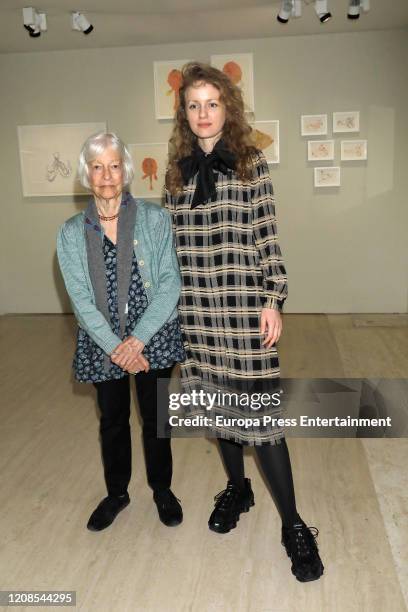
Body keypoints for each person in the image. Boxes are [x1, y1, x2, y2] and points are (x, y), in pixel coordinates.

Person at [165, 62, 324, 582]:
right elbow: (170, 252)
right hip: (198, 315)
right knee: (219, 412)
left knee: (263, 423)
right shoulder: (174, 175)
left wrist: (273, 297)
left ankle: (294, 524)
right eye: (194, 104)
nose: (203, 113)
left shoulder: (252, 163)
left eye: (212, 103)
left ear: (226, 108)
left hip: (243, 308)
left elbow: (267, 236)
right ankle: (238, 487)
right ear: (184, 114)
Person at [57, 132, 185, 531]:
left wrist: (138, 340)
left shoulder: (154, 219)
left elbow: (170, 283)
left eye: (114, 166)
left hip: (154, 337)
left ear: (126, 171)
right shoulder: (70, 232)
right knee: (112, 421)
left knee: (155, 418)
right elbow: (80, 299)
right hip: (102, 343)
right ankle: (117, 494)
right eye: (98, 167)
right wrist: (117, 347)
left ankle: (162, 490)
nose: (107, 175)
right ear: (86, 174)